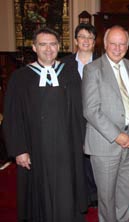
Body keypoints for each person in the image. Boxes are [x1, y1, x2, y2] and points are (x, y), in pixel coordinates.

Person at [3, 27, 87, 221]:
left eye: (52, 44)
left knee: (68, 188)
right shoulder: (20, 77)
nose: (48, 49)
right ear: (34, 47)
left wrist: (83, 139)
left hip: (67, 146)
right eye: (43, 44)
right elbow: (12, 116)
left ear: (59, 46)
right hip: (35, 147)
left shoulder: (70, 73)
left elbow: (80, 110)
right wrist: (19, 149)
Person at [82, 25, 129, 222]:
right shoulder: (92, 69)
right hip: (106, 144)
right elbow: (91, 110)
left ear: (127, 45)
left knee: (125, 194)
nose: (117, 48)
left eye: (122, 44)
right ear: (105, 44)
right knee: (107, 198)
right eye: (113, 44)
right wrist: (118, 136)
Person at [61, 22, 98, 208]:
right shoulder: (64, 65)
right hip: (72, 118)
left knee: (93, 160)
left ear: (94, 42)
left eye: (90, 37)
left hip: (96, 120)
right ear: (76, 40)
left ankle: (95, 195)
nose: (86, 40)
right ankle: (79, 194)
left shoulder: (102, 62)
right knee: (76, 159)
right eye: (82, 37)